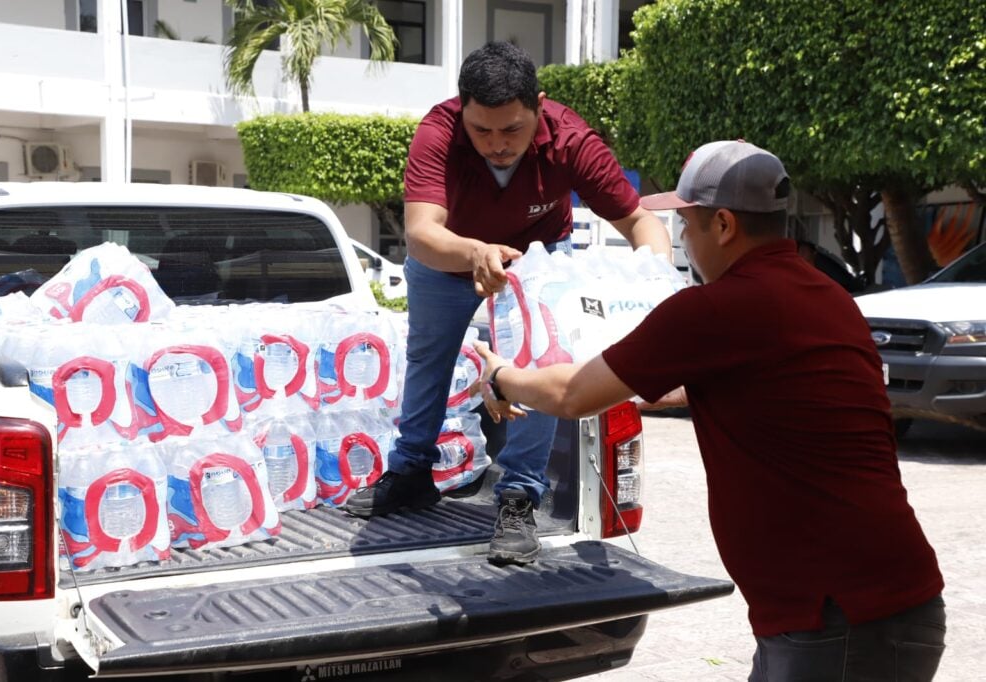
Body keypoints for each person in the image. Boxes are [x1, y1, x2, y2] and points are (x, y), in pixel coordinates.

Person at [472, 140, 946, 680]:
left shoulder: (718, 309)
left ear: (723, 225)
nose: (683, 242)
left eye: (687, 226)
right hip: (862, 602)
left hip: (840, 613)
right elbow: (729, 387)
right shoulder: (824, 297)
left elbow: (574, 394)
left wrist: (501, 376)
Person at [343, 41, 672, 566]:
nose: (497, 144)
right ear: (461, 110)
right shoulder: (438, 132)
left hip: (536, 264)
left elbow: (640, 221)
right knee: (429, 357)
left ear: (539, 107)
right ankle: (410, 472)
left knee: (536, 368)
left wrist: (652, 285)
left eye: (512, 130)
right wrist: (474, 252)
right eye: (482, 131)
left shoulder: (571, 138)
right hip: (451, 256)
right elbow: (422, 232)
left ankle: (519, 498)